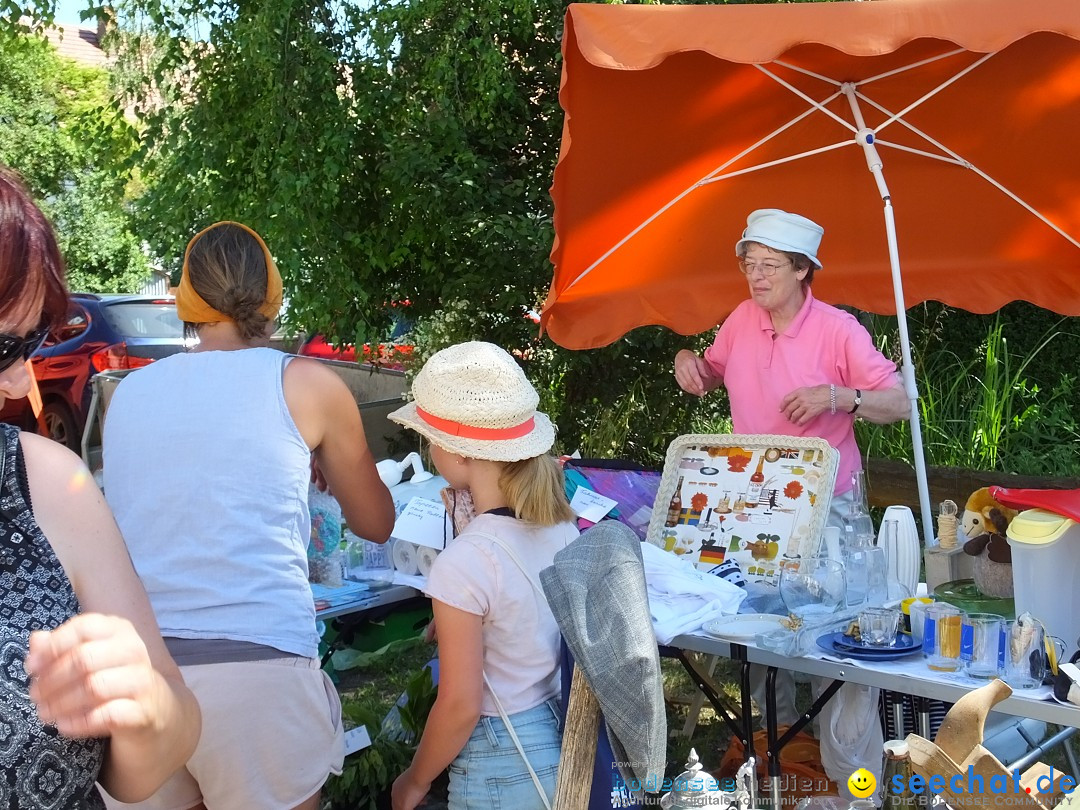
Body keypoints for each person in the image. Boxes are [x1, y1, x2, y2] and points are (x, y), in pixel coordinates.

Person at [102, 221, 395, 810]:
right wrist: (322, 467)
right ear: (272, 294)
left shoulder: (126, 394)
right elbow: (376, 523)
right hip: (258, 666)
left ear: (188, 298)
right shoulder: (306, 384)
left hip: (144, 672)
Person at [673, 208, 909, 792]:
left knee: (835, 645)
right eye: (750, 264)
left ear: (803, 270)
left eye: (770, 266)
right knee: (763, 637)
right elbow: (712, 370)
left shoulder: (839, 329)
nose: (756, 277)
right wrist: (691, 367)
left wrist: (838, 396)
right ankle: (778, 770)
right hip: (752, 506)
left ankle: (853, 787)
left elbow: (897, 402)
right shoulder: (740, 319)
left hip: (829, 513)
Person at [0, 166, 200, 807]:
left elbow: (165, 716)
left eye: (32, 341)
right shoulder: (304, 386)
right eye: (5, 345)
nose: (17, 380)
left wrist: (143, 701)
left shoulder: (47, 481)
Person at [388, 341, 578, 810]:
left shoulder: (467, 561)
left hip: (502, 758)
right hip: (565, 741)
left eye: (431, 437)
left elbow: (460, 707)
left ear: (458, 453)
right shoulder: (563, 530)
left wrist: (413, 782)